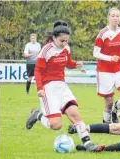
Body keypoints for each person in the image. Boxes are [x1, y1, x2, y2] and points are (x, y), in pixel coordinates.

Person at [25, 20, 105, 152]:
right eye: (62, 41)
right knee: (56, 125)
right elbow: (38, 70)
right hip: (48, 88)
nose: (64, 43)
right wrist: (39, 88)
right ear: (54, 38)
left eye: (66, 41)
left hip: (62, 86)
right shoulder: (46, 50)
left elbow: (68, 63)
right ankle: (37, 115)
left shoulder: (66, 48)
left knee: (75, 115)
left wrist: (76, 64)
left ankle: (89, 144)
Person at [93, 7, 120, 124]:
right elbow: (95, 53)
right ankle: (106, 123)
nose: (115, 18)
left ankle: (115, 110)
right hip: (104, 71)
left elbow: (119, 46)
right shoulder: (103, 33)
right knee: (108, 102)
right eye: (113, 16)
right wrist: (110, 58)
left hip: (118, 69)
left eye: (117, 16)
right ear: (108, 17)